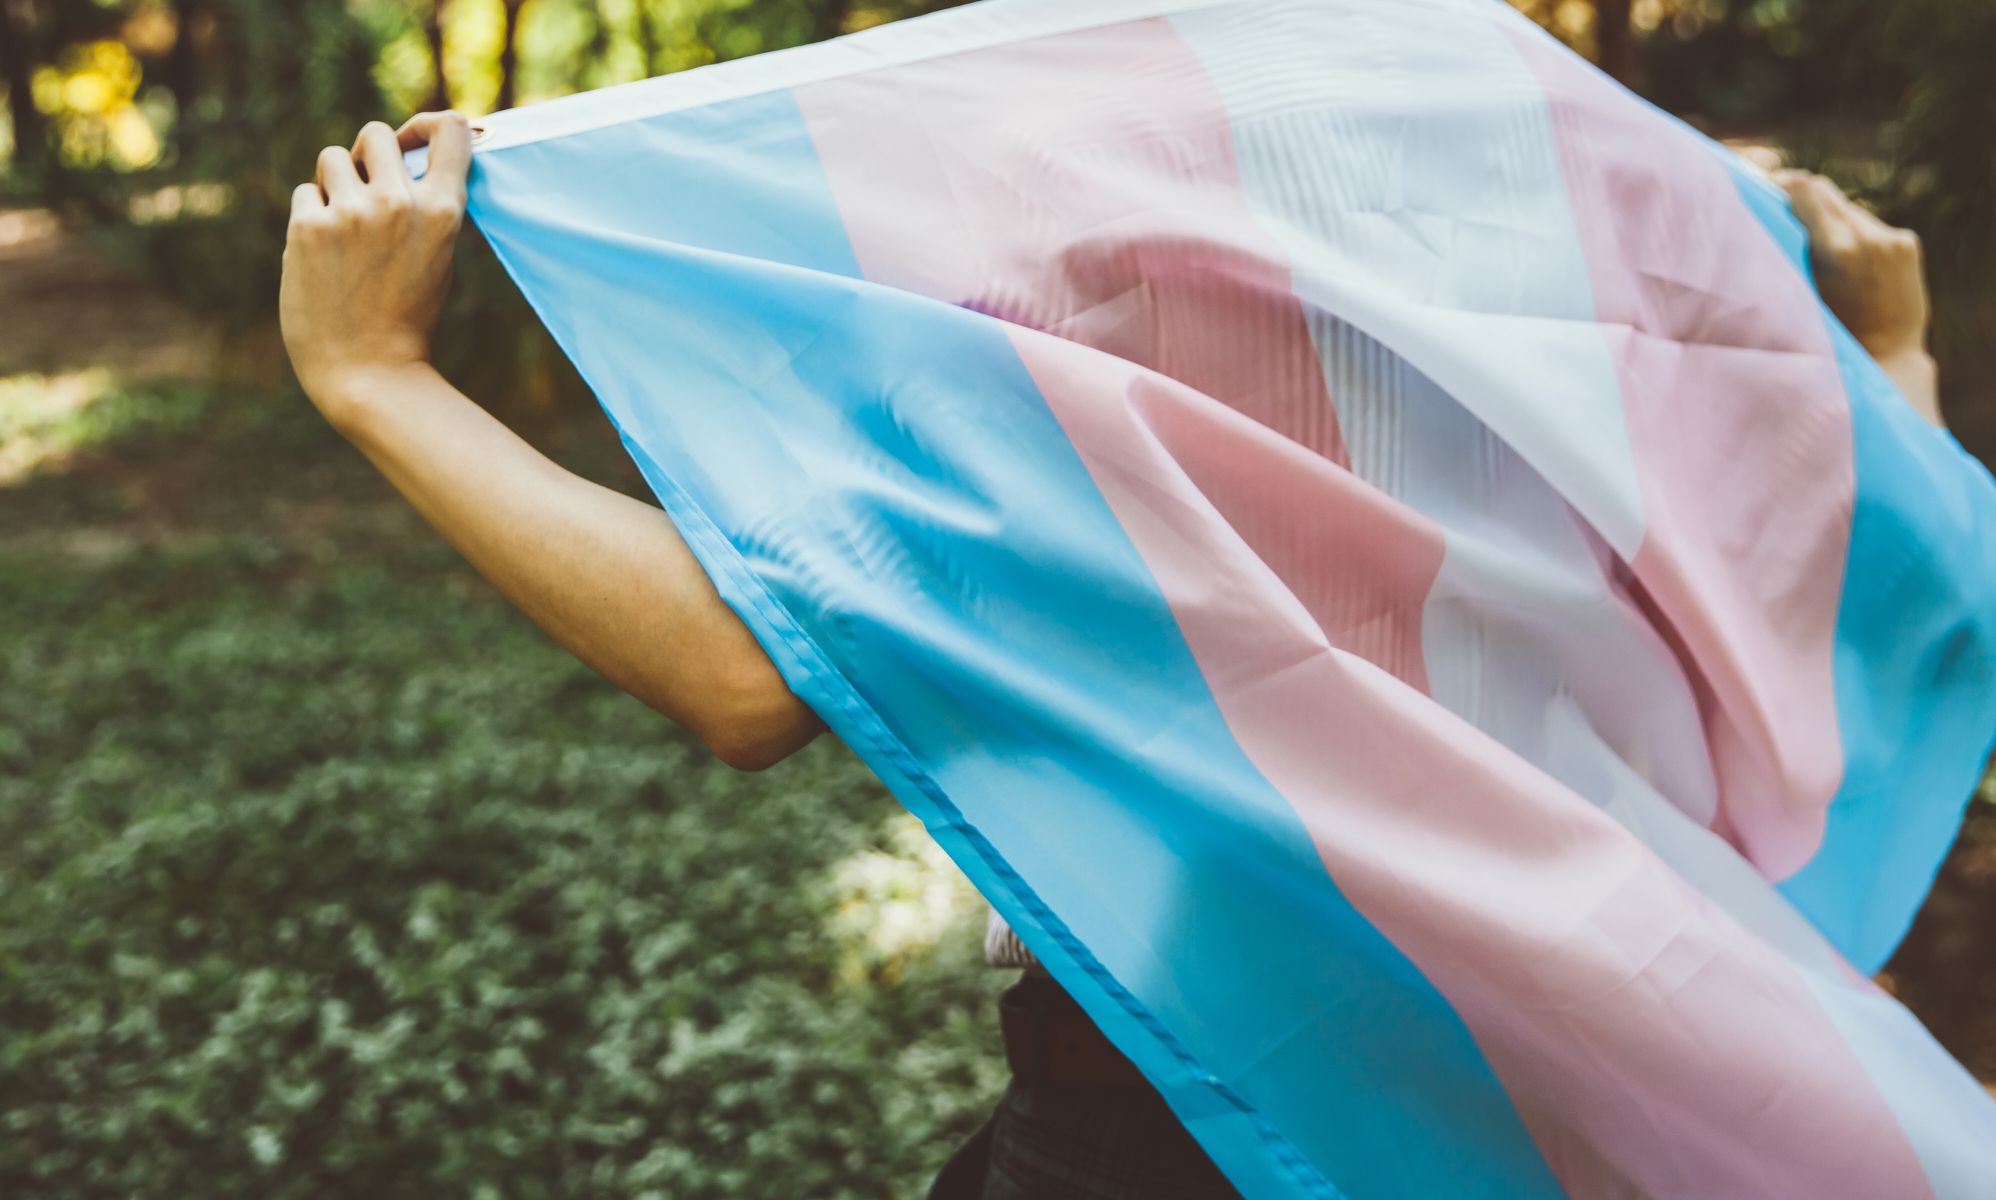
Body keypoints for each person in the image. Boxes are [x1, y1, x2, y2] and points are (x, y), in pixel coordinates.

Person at [277, 112, 1946, 1200]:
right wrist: (1891, 359)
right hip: (1594, 1059)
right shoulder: (1571, 193)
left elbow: (750, 673)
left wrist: (376, 379)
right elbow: (1836, 606)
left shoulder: (1082, 206)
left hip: (1215, 1076)